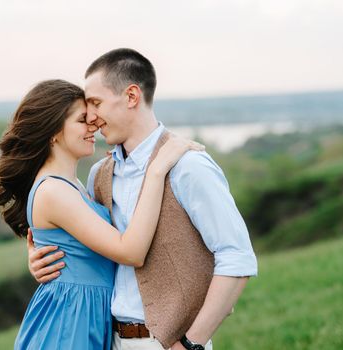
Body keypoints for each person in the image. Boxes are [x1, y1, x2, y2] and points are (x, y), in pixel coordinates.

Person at [27, 48, 258, 350]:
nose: (92, 118)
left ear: (132, 97)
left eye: (96, 103)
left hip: (169, 343)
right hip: (105, 339)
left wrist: (192, 343)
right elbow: (84, 237)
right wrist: (39, 256)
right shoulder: (99, 174)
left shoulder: (188, 166)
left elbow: (236, 258)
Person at [0, 79, 202, 350]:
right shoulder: (53, 191)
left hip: (85, 317)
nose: (94, 126)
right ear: (54, 131)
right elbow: (131, 252)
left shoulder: (75, 185)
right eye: (83, 120)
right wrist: (156, 170)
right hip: (67, 324)